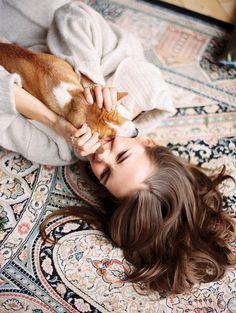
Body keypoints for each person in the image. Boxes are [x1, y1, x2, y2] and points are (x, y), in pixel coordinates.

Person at [0, 0, 235, 295]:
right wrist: (89, 82)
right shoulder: (140, 92)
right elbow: (72, 15)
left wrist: (54, 121)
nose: (102, 154)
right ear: (147, 142)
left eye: (106, 174)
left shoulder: (56, 149)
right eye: (122, 155)